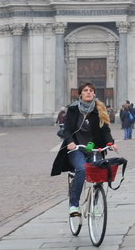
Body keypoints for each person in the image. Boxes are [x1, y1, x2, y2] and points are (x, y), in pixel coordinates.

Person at [50, 83, 117, 217]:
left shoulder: (99, 110)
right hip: (77, 149)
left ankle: (95, 204)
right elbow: (67, 130)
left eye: (91, 90)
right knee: (81, 169)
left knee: (99, 175)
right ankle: (74, 205)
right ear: (80, 93)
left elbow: (105, 130)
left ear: (94, 94)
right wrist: (70, 143)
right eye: (85, 90)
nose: (88, 92)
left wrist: (111, 143)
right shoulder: (73, 110)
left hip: (94, 149)